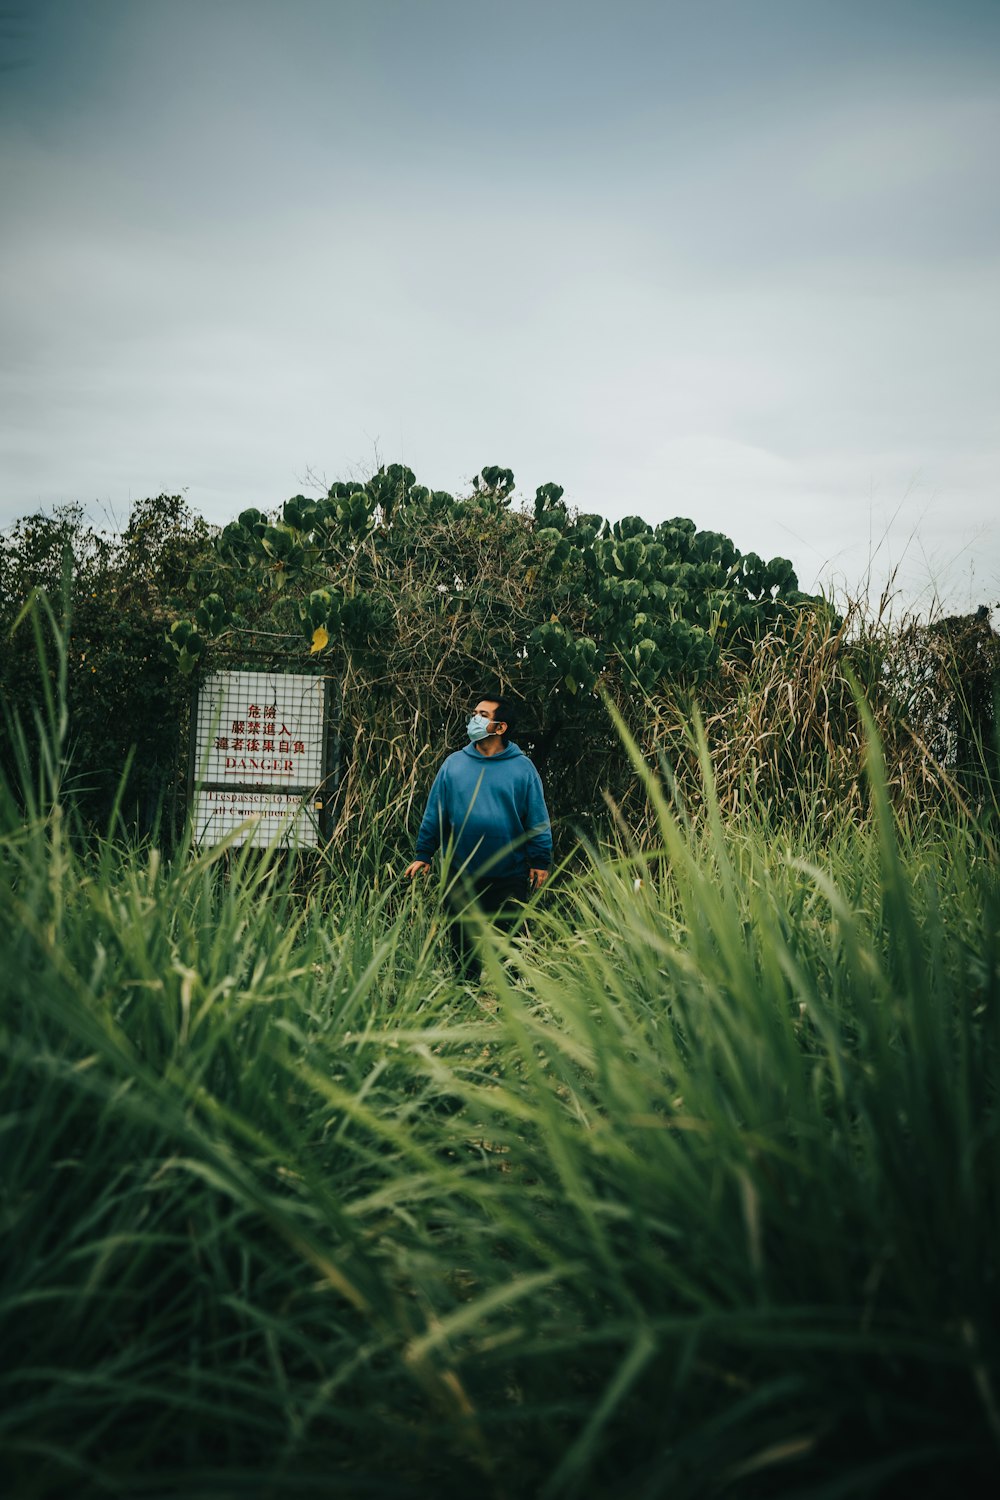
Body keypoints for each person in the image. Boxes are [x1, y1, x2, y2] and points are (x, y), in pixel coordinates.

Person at [404, 695, 552, 978]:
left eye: (483, 715)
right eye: (474, 713)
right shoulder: (454, 765)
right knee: (463, 950)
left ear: (500, 728)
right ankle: (463, 1004)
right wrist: (424, 854)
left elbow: (537, 819)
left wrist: (540, 860)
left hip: (508, 875)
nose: (474, 719)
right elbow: (435, 812)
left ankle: (511, 1012)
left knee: (510, 952)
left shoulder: (522, 768)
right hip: (460, 873)